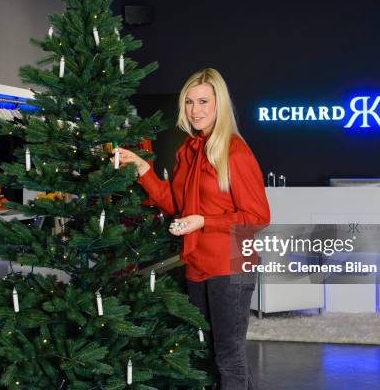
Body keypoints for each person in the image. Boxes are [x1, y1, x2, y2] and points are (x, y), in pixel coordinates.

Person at [114, 68, 270, 389]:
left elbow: (257, 216)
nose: (195, 110)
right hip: (197, 264)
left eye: (203, 101)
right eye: (189, 102)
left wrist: (204, 221)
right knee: (207, 353)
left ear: (219, 105)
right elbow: (176, 204)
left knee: (229, 357)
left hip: (230, 265)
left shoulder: (234, 151)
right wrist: (144, 169)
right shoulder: (189, 149)